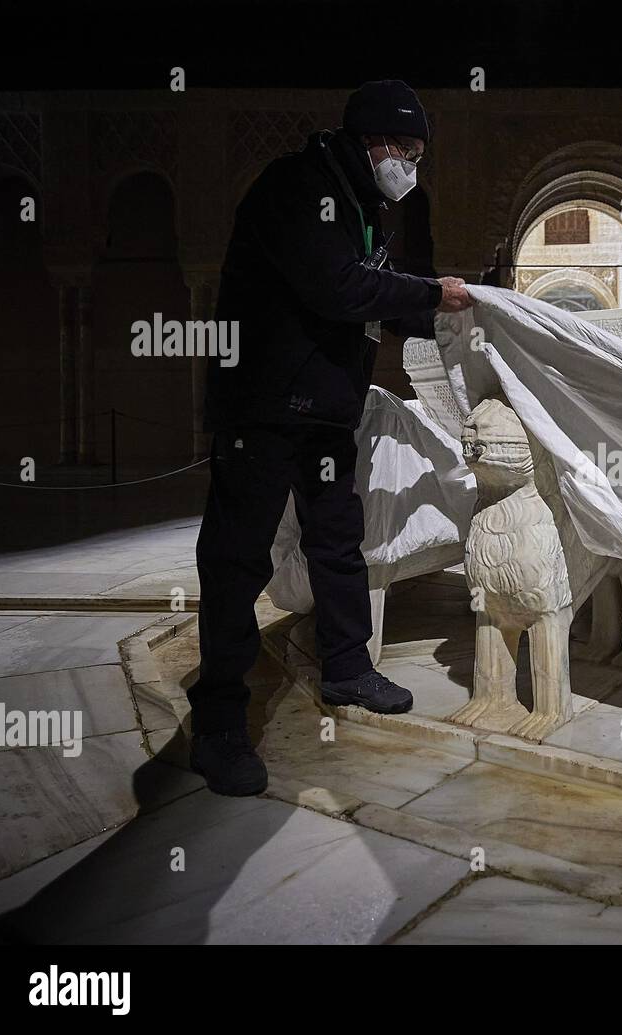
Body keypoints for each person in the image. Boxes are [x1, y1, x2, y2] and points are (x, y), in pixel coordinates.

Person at [190, 80, 472, 797]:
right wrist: (431, 294)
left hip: (322, 409)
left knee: (338, 538)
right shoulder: (298, 187)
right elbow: (338, 289)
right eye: (404, 150)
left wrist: (456, 313)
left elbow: (369, 296)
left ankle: (347, 666)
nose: (410, 164)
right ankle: (219, 724)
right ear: (369, 141)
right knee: (237, 559)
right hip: (261, 408)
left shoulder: (362, 205)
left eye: (417, 153)